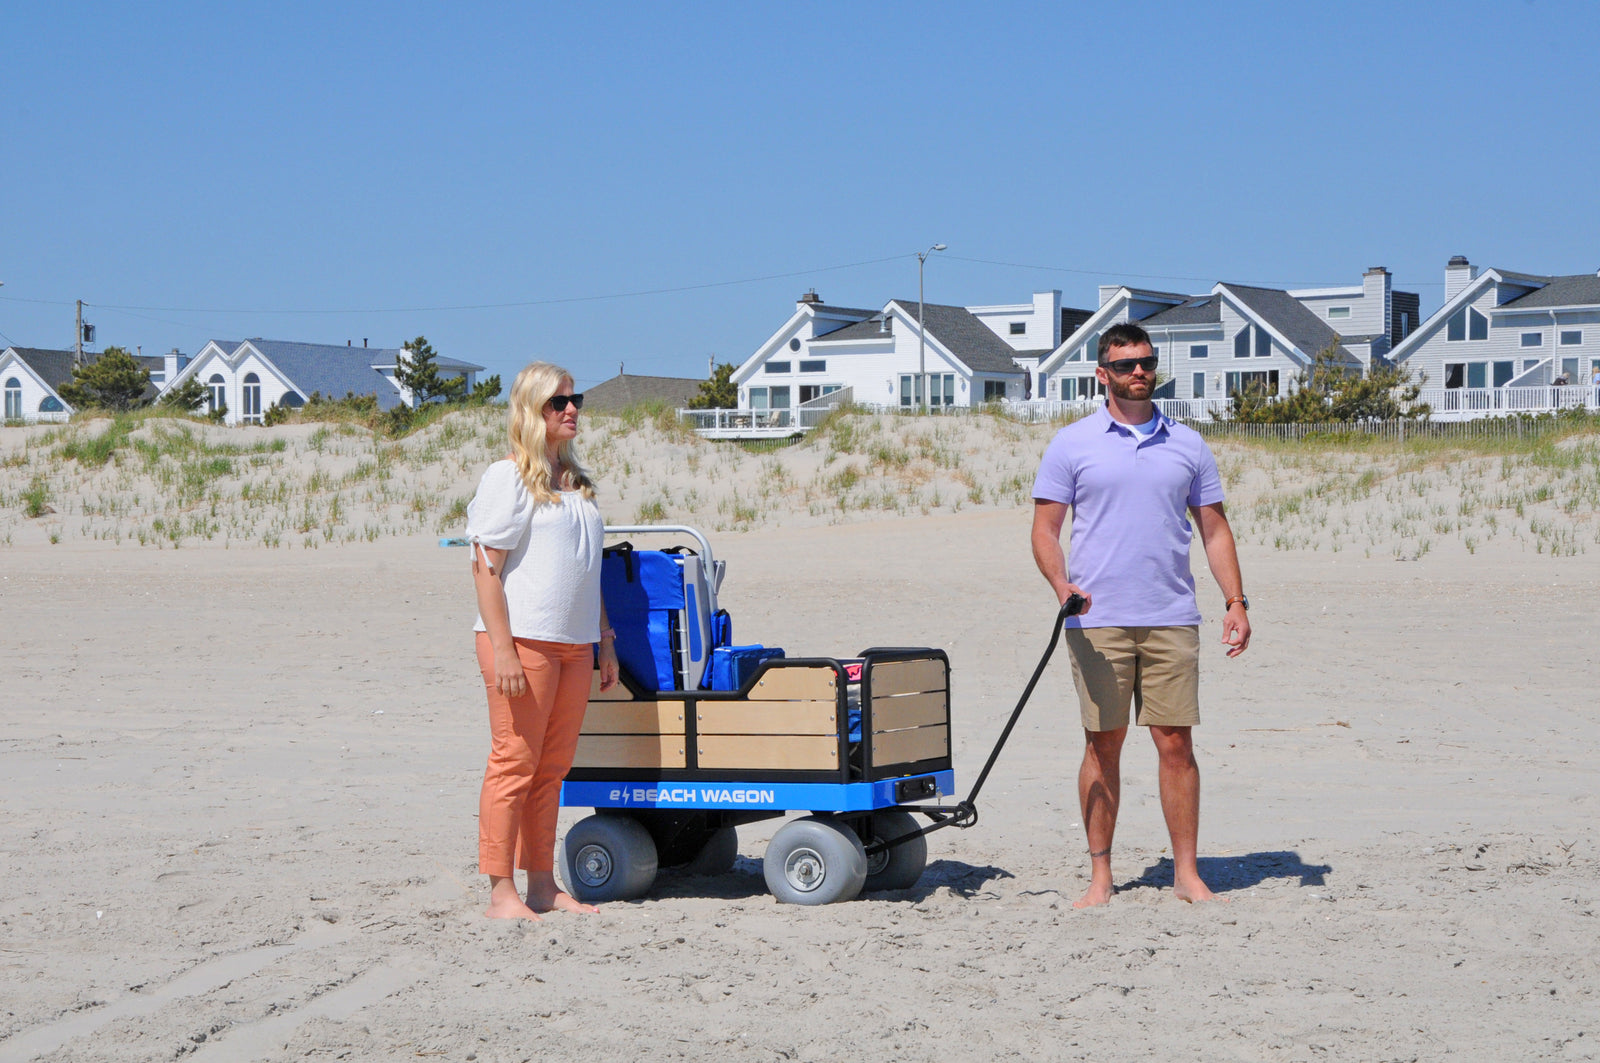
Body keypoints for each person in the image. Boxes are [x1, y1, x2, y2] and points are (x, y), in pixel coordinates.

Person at [1030, 322, 1251, 908]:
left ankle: (1186, 873)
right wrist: (1061, 585)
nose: (1139, 373)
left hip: (1171, 615)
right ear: (1102, 373)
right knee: (1103, 745)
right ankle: (1100, 877)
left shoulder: (1188, 444)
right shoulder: (1071, 444)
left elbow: (1214, 528)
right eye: (1126, 364)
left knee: (1175, 743)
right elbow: (1045, 529)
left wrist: (1235, 601)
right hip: (1095, 619)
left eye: (1147, 362)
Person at [466, 361, 619, 920]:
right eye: (559, 403)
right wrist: (503, 650)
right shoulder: (507, 478)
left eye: (575, 399)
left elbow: (587, 570)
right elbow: (485, 570)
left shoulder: (576, 484)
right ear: (533, 411)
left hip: (574, 644)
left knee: (551, 769)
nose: (572, 409)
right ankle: (500, 890)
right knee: (514, 763)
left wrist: (604, 637)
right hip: (522, 642)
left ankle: (542, 885)